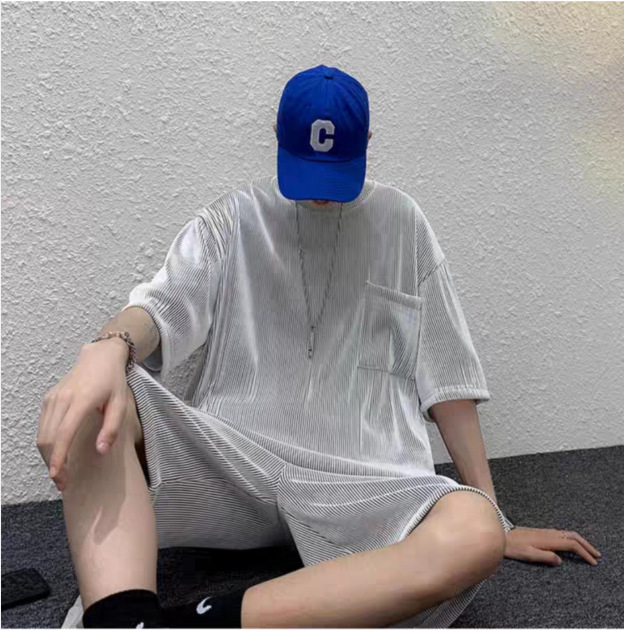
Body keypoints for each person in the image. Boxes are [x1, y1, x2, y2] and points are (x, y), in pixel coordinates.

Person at [38, 64, 601, 629]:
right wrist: (108, 347)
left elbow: (446, 378)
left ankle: (185, 625)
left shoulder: (403, 223)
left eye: (337, 176)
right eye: (306, 172)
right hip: (235, 465)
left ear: (368, 143)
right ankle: (121, 618)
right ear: (277, 138)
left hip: (364, 486)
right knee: (97, 395)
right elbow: (159, 309)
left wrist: (497, 517)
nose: (322, 197)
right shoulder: (233, 220)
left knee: (473, 532)